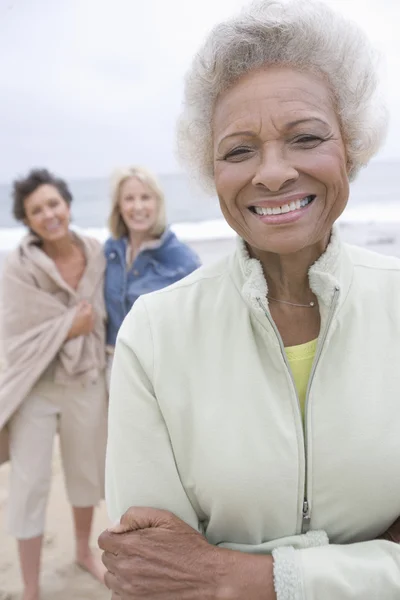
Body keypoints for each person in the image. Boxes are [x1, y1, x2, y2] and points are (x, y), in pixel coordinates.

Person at [99, 1, 400, 598]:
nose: (271, 173)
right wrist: (377, 561)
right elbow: (153, 575)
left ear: (353, 146)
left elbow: (196, 578)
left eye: (306, 138)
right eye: (238, 150)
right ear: (210, 171)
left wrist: (234, 574)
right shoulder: (155, 335)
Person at [0, 169, 108, 600]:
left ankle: (83, 551)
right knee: (30, 486)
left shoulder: (98, 253)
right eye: (36, 210)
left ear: (67, 204)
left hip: (86, 382)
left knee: (85, 476)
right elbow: (15, 336)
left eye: (53, 204)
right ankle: (29, 586)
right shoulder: (16, 268)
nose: (48, 214)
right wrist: (69, 327)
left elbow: (113, 311)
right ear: (26, 220)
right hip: (37, 390)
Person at [103, 166, 201, 378]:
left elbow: (198, 324)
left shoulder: (182, 261)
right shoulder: (110, 251)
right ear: (119, 206)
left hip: (159, 370)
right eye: (129, 198)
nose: (138, 206)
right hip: (113, 366)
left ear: (158, 203)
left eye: (145, 197)